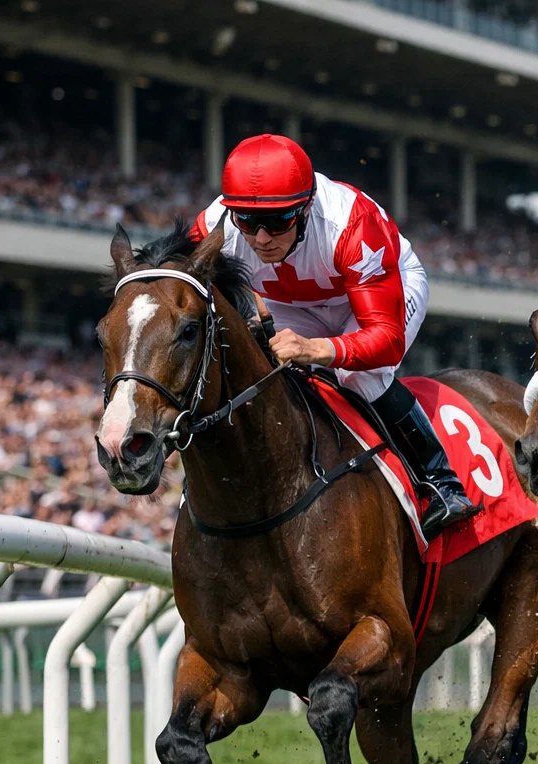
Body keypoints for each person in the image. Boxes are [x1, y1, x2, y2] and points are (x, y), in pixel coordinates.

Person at [190, 134, 475, 539]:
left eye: (277, 222)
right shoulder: (214, 225)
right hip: (292, 302)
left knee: (360, 375)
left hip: (376, 294)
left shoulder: (351, 224)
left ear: (305, 208)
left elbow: (386, 340)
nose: (261, 239)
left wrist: (318, 349)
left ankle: (440, 482)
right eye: (248, 223)